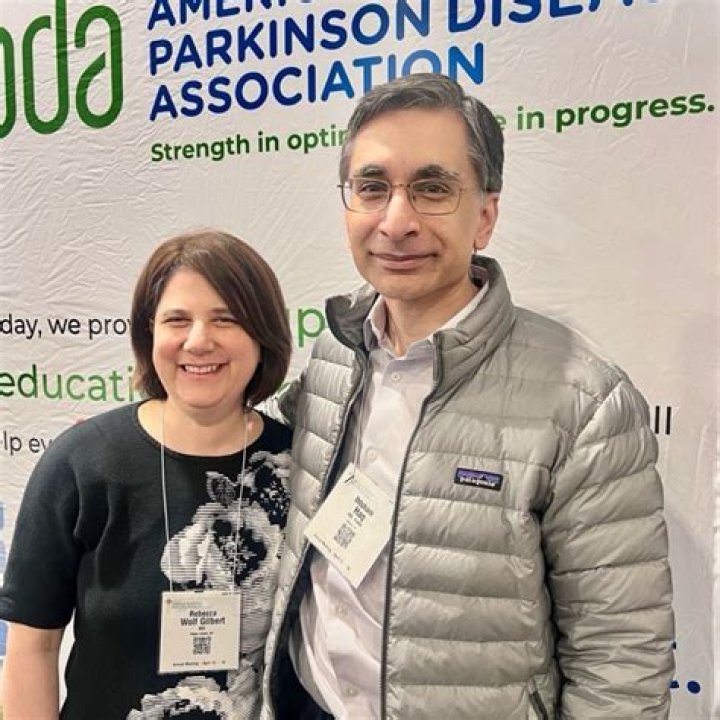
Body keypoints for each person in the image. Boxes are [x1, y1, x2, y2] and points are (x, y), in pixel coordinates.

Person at [261, 74, 675, 719]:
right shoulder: (333, 355)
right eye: (372, 188)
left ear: (484, 216)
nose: (396, 222)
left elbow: (621, 661)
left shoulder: (585, 401)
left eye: (432, 189)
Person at [0, 229, 293, 719]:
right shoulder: (81, 463)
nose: (199, 341)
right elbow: (33, 646)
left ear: (263, 334)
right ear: (148, 334)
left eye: (225, 319)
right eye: (177, 320)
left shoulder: (298, 467)